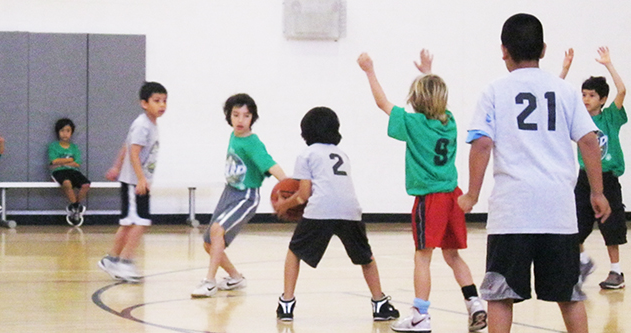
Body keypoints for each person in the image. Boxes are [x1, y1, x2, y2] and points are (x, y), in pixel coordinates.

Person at [458, 13, 611, 333]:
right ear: (543, 50)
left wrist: (471, 194)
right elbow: (588, 140)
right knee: (569, 295)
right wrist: (597, 191)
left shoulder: (495, 90)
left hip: (511, 211)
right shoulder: (565, 91)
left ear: (503, 50)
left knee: (500, 295)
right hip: (558, 211)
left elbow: (482, 144)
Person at [358, 50, 486, 332]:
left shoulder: (414, 124)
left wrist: (369, 71)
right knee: (452, 256)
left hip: (430, 200)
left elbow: (382, 103)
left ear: (415, 99)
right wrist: (428, 71)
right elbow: (434, 99)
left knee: (422, 257)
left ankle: (420, 316)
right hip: (453, 195)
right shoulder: (449, 121)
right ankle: (475, 304)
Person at [272, 107, 399, 323]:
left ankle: (286, 304)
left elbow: (304, 195)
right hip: (350, 210)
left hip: (321, 209)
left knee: (294, 251)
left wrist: (285, 204)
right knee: (366, 258)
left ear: (306, 132)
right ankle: (380, 304)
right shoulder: (342, 154)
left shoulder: (306, 154)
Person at [191, 93, 286, 298]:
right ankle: (235, 277)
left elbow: (270, 164)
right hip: (230, 192)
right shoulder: (234, 135)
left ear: (253, 118)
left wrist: (288, 186)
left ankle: (209, 282)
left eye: (246, 115)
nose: (241, 120)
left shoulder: (252, 143)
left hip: (246, 196)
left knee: (217, 230)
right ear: (229, 116)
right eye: (236, 115)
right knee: (209, 243)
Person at [559, 46, 629, 290]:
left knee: (612, 228)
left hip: (607, 179)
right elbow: (554, 95)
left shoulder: (610, 117)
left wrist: (608, 64)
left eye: (591, 95)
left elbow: (622, 90)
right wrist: (565, 69)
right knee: (574, 225)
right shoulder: (578, 117)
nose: (585, 99)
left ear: (601, 99)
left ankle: (616, 272)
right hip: (584, 179)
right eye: (584, 95)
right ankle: (582, 262)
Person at [96, 81, 166, 283]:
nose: (161, 105)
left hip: (137, 181)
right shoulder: (142, 125)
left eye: (164, 101)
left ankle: (111, 260)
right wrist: (141, 178)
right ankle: (125, 262)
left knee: (129, 223)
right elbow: (133, 153)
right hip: (135, 183)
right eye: (156, 101)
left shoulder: (150, 124)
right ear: (144, 103)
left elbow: (126, 147)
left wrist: (116, 167)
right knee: (140, 222)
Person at [49, 118, 92, 226]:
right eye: (62, 131)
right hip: (59, 171)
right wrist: (69, 160)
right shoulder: (53, 146)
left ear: (71, 133)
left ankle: (74, 206)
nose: (65, 134)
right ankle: (76, 208)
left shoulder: (74, 147)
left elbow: (77, 163)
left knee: (86, 184)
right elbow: (54, 161)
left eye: (68, 131)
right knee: (67, 183)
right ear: (58, 132)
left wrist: (62, 162)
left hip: (73, 171)